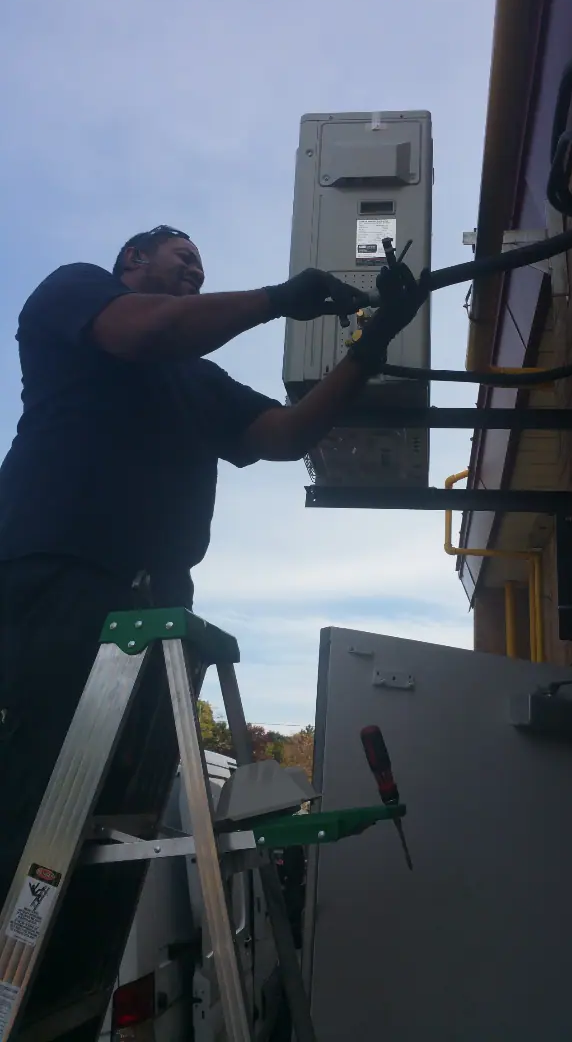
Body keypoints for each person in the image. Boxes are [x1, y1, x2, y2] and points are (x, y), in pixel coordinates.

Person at [0, 224, 426, 920]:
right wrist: (275, 299)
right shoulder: (76, 292)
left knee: (119, 812)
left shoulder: (199, 379)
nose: (197, 272)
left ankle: (67, 988)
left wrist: (372, 343)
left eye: (202, 263)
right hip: (56, 572)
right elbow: (149, 333)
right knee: (35, 787)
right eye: (185, 258)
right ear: (132, 260)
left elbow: (285, 436)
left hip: (159, 597)